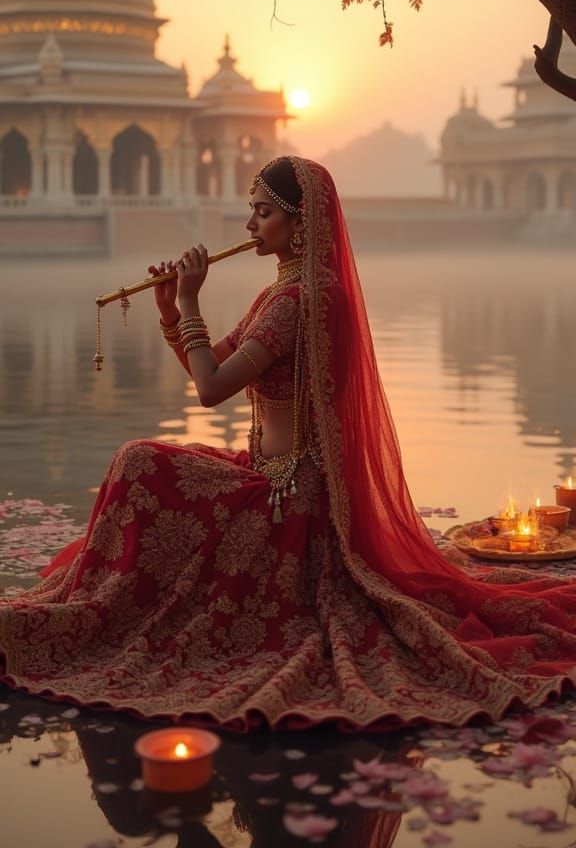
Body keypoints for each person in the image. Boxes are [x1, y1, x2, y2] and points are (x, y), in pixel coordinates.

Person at [1, 155, 576, 729]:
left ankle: (112, 613)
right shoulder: (288, 291)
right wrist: (170, 315)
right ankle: (115, 605)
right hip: (271, 472)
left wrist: (192, 303)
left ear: (299, 223)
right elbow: (211, 367)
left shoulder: (296, 301)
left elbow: (209, 391)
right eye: (252, 212)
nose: (249, 226)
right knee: (146, 461)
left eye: (263, 213)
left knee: (138, 461)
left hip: (287, 493)